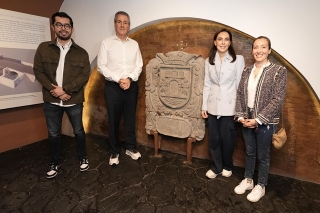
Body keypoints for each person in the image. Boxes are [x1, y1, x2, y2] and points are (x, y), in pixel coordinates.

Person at [33, 12, 91, 178]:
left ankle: (83, 157)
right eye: (59, 24)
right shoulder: (44, 48)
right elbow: (38, 71)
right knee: (53, 134)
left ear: (72, 29)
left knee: (79, 131)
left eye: (67, 25)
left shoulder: (81, 52)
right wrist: (57, 93)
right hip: (52, 101)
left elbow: (84, 76)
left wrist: (65, 90)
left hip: (74, 100)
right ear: (53, 27)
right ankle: (55, 161)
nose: (63, 28)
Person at [234, 36, 287, 202]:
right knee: (249, 152)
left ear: (269, 50)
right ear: (252, 50)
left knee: (263, 155)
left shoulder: (278, 71)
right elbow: (241, 94)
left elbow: (277, 100)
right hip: (246, 118)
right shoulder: (247, 71)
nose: (259, 50)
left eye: (263, 47)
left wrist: (257, 119)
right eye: (256, 47)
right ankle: (248, 180)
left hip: (265, 121)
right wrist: (241, 116)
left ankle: (261, 185)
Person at [97, 11, 143, 166]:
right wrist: (119, 79)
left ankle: (130, 147)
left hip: (131, 85)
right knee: (114, 119)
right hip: (113, 87)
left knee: (130, 117)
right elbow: (101, 66)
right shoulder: (106, 42)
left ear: (129, 25)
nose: (122, 25)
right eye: (119, 22)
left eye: (126, 22)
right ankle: (115, 151)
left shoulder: (134, 44)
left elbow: (139, 65)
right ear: (114, 24)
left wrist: (129, 79)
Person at [202, 29, 245, 179]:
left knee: (228, 139)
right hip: (212, 105)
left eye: (226, 39)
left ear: (230, 42)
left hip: (230, 105)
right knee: (213, 139)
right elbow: (207, 84)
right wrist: (204, 106)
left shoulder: (237, 59)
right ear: (215, 42)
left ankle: (227, 165)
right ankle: (216, 167)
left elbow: (240, 85)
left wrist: (240, 110)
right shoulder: (209, 61)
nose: (223, 42)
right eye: (220, 39)